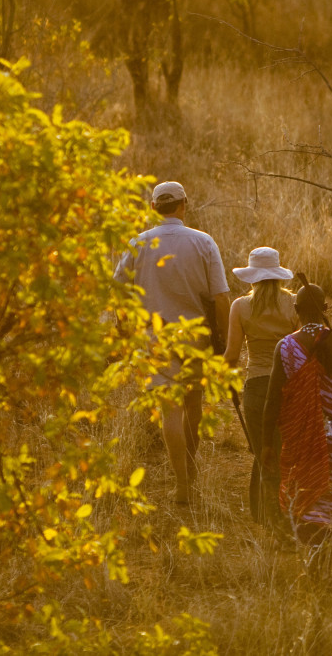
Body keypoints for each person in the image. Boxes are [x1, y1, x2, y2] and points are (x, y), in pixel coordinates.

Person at [113, 180, 231, 505]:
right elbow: (221, 297)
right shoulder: (204, 242)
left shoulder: (139, 243)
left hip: (156, 340)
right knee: (194, 404)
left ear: (153, 208)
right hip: (196, 337)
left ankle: (181, 484)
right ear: (184, 204)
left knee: (170, 412)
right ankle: (190, 468)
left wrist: (126, 327)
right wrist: (226, 340)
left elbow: (117, 287)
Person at [262, 278, 332, 543]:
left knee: (303, 492)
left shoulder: (284, 347)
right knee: (326, 493)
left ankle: (308, 552)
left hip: (298, 434)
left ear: (296, 310)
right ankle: (321, 552)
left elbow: (272, 401)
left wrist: (266, 445)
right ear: (326, 308)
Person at [223, 247, 299, 523]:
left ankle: (272, 521)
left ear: (252, 277)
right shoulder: (293, 304)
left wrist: (228, 381)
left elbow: (231, 355)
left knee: (263, 453)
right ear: (278, 274)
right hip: (288, 388)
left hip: (256, 387)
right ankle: (287, 515)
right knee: (285, 453)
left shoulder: (240, 307)